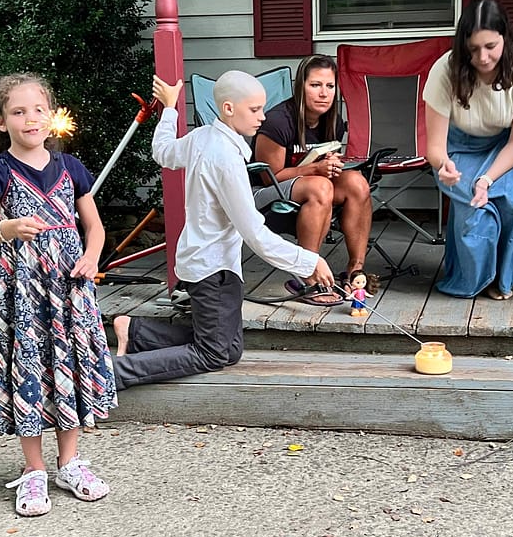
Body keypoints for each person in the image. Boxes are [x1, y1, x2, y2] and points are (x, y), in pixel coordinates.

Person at [111, 72, 334, 388]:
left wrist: (170, 109)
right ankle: (113, 374)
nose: (262, 117)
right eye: (254, 109)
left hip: (206, 262)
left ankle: (136, 333)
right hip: (212, 269)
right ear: (228, 108)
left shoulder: (202, 137)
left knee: (229, 349)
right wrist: (309, 262)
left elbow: (163, 151)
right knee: (213, 354)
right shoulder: (226, 159)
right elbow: (254, 232)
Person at [0, 73, 116, 518]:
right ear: (2, 122)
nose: (30, 119)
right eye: (18, 112)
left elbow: (94, 227)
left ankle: (69, 463)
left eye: (38, 109)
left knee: (68, 365)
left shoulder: (71, 167)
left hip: (69, 290)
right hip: (22, 292)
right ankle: (33, 469)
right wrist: (9, 227)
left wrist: (91, 257)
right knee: (29, 366)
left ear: (51, 115)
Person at [423, 0, 513, 300]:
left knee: (505, 199)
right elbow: (434, 147)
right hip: (459, 146)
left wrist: (486, 179)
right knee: (475, 210)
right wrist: (443, 165)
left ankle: (501, 278)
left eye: (491, 46)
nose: (483, 57)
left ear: (506, 37)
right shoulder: (444, 70)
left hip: (509, 143)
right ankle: (471, 277)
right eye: (473, 48)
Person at [253, 54, 373, 303]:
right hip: (265, 194)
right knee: (321, 186)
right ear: (301, 87)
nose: (324, 93)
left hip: (311, 186)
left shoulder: (332, 121)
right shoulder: (278, 122)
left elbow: (327, 166)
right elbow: (269, 177)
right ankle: (307, 276)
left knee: (357, 183)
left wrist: (332, 166)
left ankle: (355, 270)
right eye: (315, 85)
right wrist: (316, 169)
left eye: (330, 86)